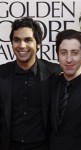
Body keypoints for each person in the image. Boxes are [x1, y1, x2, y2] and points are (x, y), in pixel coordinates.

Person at [0, 17, 61, 150]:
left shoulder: (55, 73)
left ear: (38, 43)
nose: (22, 45)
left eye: (28, 40)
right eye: (17, 40)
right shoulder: (1, 73)